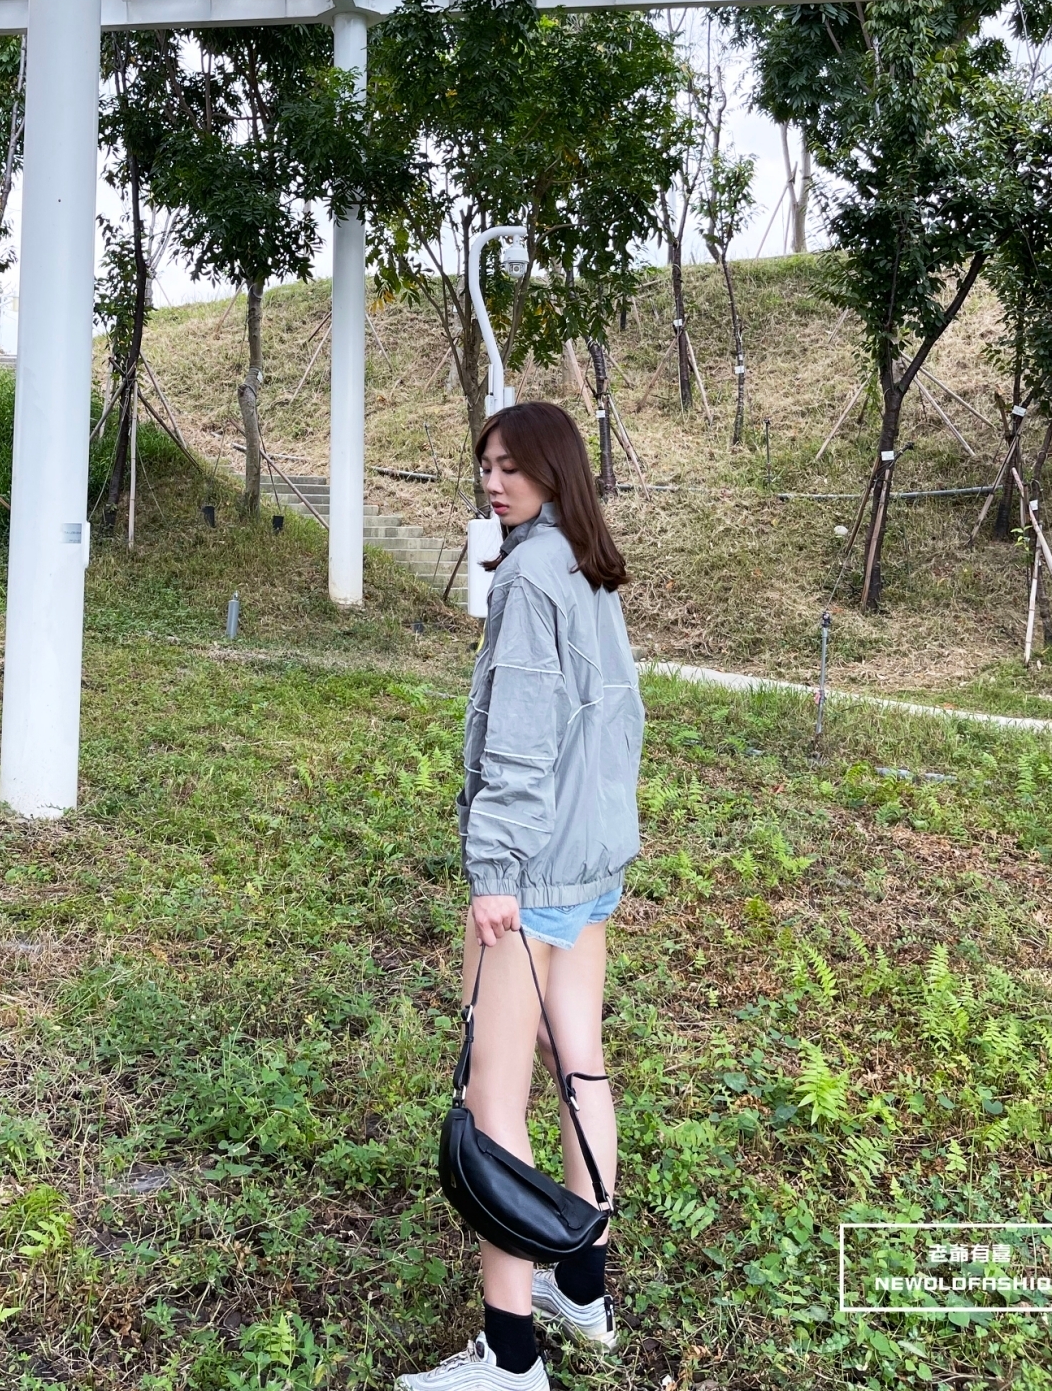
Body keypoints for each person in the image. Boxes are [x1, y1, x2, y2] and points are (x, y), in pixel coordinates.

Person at [398, 401, 645, 1391]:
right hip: (589, 864)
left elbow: (520, 740)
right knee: (578, 1062)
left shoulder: (532, 574)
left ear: (553, 469)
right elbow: (618, 725)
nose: (492, 483)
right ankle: (580, 1289)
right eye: (485, 465)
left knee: (491, 1094)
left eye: (510, 466)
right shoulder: (589, 565)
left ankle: (508, 1357)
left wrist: (494, 871)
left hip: (532, 873)